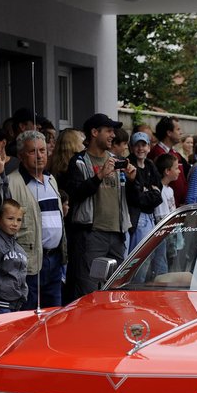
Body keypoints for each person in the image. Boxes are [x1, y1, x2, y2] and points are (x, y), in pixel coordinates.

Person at [59, 113, 132, 299]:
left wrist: (133, 180)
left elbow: (131, 198)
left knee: (117, 288)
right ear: (94, 132)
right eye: (108, 131)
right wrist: (99, 176)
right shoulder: (79, 162)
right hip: (91, 234)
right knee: (88, 290)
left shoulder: (116, 160)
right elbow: (75, 193)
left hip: (117, 234)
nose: (113, 135)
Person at [8, 131, 67, 309]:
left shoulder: (51, 180)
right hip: (29, 261)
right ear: (20, 155)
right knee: (29, 314)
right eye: (33, 151)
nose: (40, 155)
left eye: (42, 150)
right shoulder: (12, 183)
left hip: (54, 259)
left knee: (53, 314)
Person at [147, 117, 189, 206]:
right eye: (178, 129)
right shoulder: (156, 153)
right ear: (169, 132)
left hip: (178, 206)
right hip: (166, 206)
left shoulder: (175, 153)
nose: (181, 132)